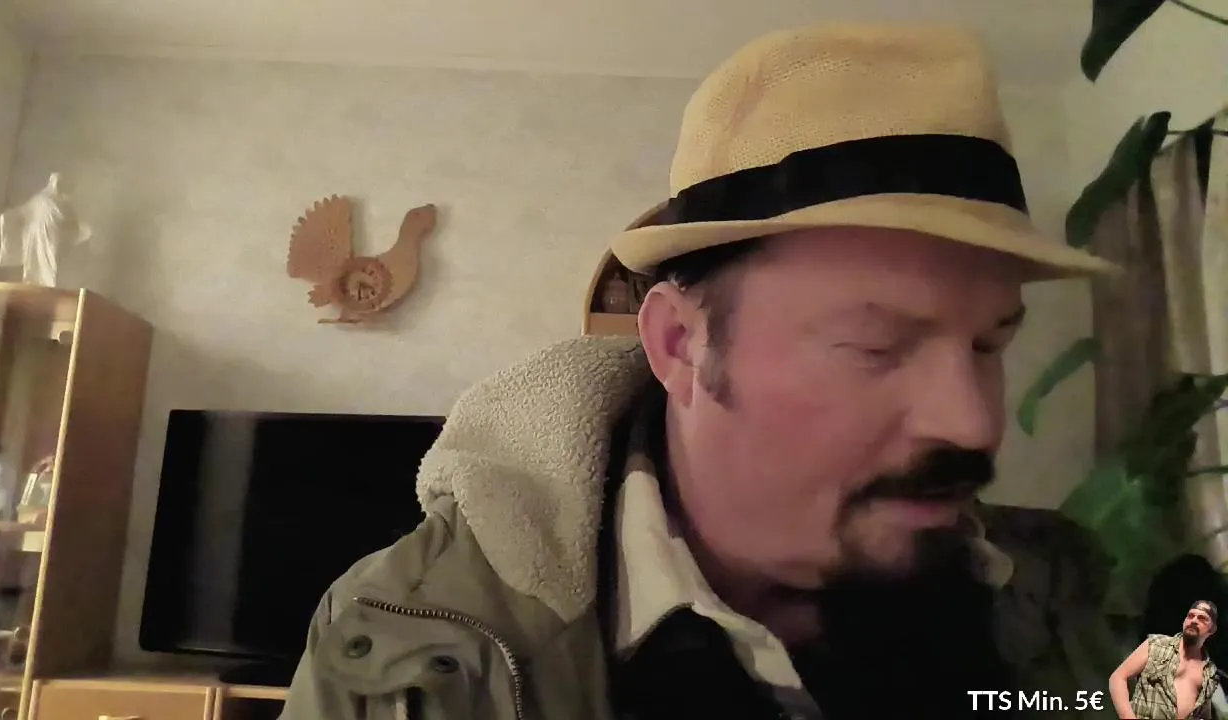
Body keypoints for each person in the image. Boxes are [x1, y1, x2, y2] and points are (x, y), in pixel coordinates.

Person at [280, 25, 1119, 720]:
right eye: (878, 345)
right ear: (681, 345)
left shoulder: (1069, 600)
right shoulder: (401, 638)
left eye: (989, 346)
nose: (973, 423)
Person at [1110, 600, 1221, 719]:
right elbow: (1118, 677)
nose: (1194, 620)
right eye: (1190, 616)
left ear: (1212, 629)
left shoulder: (1210, 672)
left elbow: (1203, 714)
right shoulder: (1156, 644)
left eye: (1202, 618)